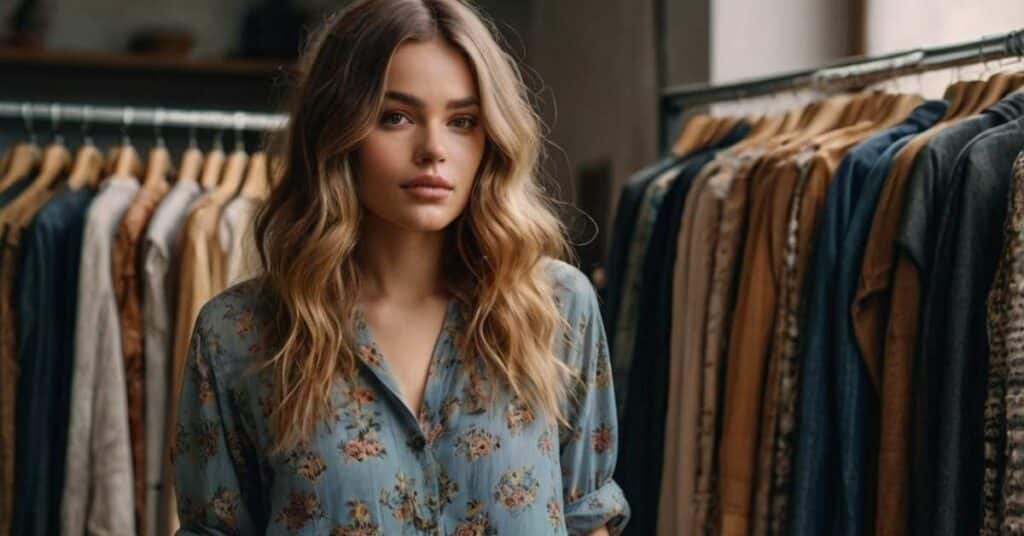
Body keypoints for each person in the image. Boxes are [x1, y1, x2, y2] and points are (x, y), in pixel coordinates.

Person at [171, 0, 630, 534]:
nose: (433, 149)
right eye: (396, 117)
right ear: (336, 130)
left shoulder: (554, 309)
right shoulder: (240, 333)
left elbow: (588, 515)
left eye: (463, 121)